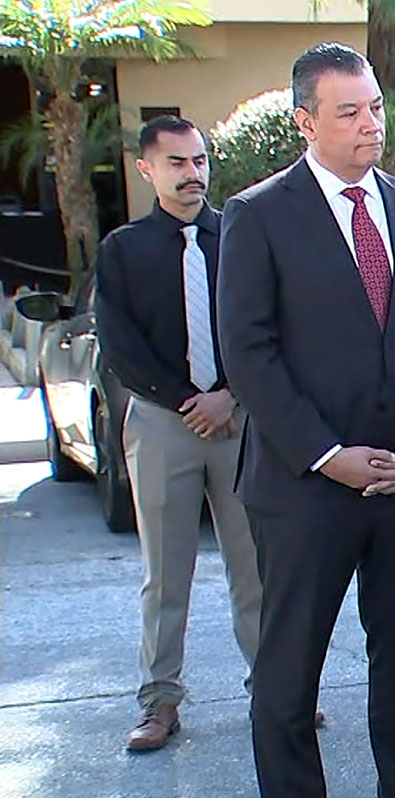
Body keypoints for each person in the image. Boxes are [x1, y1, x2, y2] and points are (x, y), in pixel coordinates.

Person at [217, 43, 395, 798]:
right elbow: (249, 355)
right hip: (306, 488)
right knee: (290, 667)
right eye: (349, 112)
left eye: (374, 108)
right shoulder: (258, 216)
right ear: (304, 120)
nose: (371, 124)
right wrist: (330, 457)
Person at [93, 115, 263, 753]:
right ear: (147, 170)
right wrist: (191, 401)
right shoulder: (124, 250)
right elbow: (121, 345)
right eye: (176, 163)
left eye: (199, 161)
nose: (192, 174)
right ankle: (159, 700)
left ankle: (271, 689)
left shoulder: (242, 236)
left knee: (256, 566)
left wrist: (231, 396)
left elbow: (265, 324)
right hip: (166, 424)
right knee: (166, 572)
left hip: (241, 420)